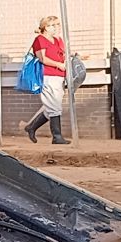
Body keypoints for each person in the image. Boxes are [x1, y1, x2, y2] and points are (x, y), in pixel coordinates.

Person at [23, 15, 72, 145]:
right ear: (46, 27)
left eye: (58, 25)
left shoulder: (58, 40)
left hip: (60, 76)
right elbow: (43, 59)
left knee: (52, 106)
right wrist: (58, 65)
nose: (57, 27)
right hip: (48, 76)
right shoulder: (40, 40)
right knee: (54, 106)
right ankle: (57, 136)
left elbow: (64, 55)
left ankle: (32, 127)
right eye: (54, 25)